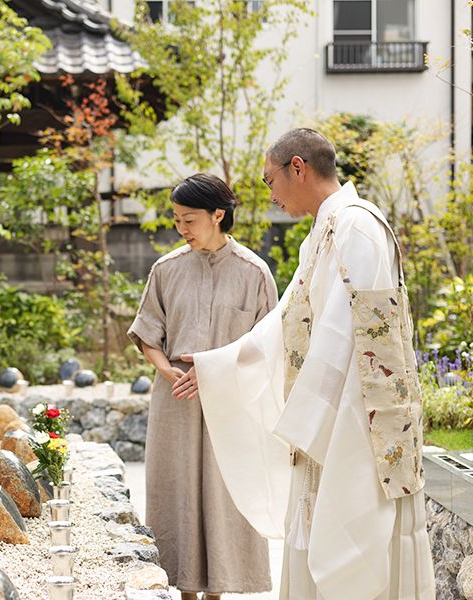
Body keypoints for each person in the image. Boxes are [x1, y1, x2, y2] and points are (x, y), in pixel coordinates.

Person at [172, 128, 435, 599]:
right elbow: (286, 321)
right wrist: (218, 365)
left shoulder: (357, 226)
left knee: (358, 537)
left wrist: (316, 418)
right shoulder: (322, 232)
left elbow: (351, 333)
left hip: (358, 422)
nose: (270, 193)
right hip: (329, 417)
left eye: (271, 179)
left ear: (299, 167)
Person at [127, 173, 276, 600]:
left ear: (218, 215)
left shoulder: (254, 272)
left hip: (231, 403)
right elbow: (147, 335)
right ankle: (183, 592)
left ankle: (218, 592)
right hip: (176, 401)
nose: (182, 229)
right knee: (175, 493)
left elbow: (267, 345)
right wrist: (165, 370)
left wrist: (217, 370)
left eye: (189, 220)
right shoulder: (166, 269)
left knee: (226, 495)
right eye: (176, 220)